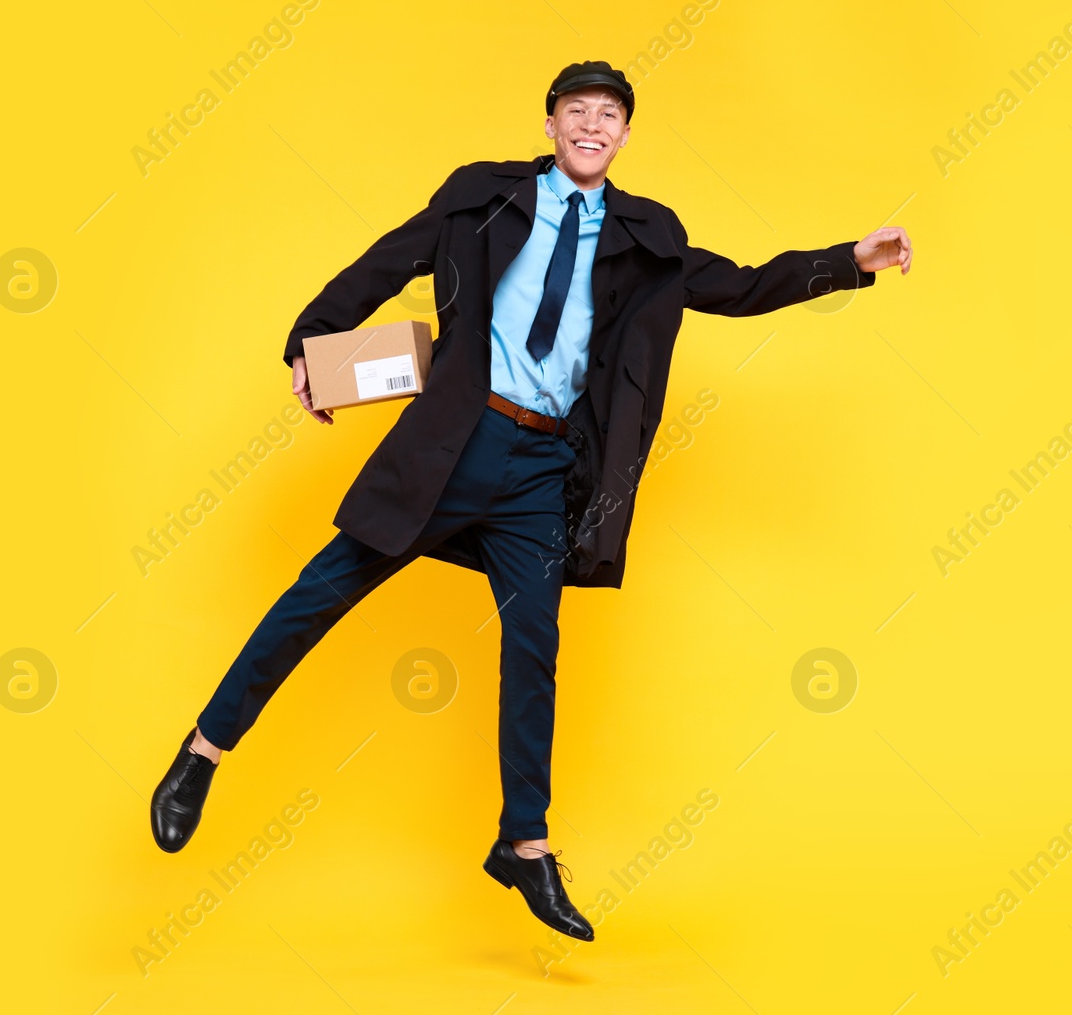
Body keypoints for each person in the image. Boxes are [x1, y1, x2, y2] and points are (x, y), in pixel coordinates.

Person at [150, 60, 912, 941]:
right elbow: (386, 261)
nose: (593, 125)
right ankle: (202, 752)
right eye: (577, 110)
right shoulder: (483, 198)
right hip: (454, 442)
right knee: (321, 592)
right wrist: (313, 343)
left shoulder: (646, 236)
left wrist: (848, 262)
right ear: (550, 123)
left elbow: (735, 285)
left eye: (610, 115)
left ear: (626, 136)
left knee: (534, 648)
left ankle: (523, 841)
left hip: (545, 470)